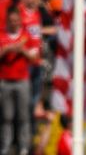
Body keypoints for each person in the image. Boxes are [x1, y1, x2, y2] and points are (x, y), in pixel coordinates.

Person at [0, 8, 38, 155]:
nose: (14, 23)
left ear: (20, 21)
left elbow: (34, 58)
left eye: (16, 20)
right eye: (11, 20)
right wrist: (8, 49)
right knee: (6, 117)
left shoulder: (27, 36)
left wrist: (22, 51)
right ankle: (5, 146)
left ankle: (23, 147)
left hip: (22, 80)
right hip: (5, 81)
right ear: (7, 21)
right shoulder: (2, 35)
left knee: (23, 116)